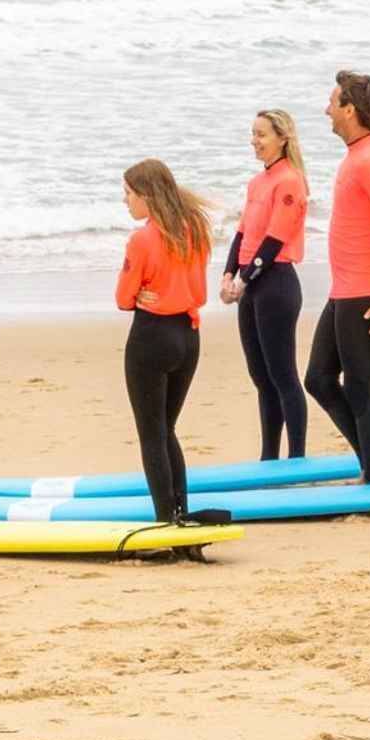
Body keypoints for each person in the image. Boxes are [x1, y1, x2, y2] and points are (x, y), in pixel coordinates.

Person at [305, 70, 370, 484]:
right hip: (344, 290)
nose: (326, 110)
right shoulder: (358, 154)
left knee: (362, 387)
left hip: (366, 293)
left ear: (350, 109)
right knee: (318, 379)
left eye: (332, 102)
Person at [115, 161, 211, 525]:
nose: (125, 201)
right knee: (166, 429)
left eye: (128, 194)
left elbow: (124, 297)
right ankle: (180, 512)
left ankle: (165, 518)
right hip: (188, 336)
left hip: (152, 338)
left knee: (152, 434)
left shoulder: (142, 238)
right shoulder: (195, 228)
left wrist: (142, 294)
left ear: (146, 195)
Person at [218, 109, 310, 461]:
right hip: (252, 285)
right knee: (261, 377)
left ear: (282, 138)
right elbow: (243, 233)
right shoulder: (258, 182)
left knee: (282, 374)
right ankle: (269, 458)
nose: (254, 141)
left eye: (261, 135)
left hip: (277, 285)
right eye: (252, 134)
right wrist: (229, 275)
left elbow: (274, 240)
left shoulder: (290, 180)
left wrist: (243, 279)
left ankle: (297, 458)